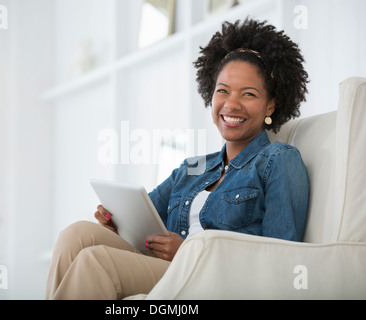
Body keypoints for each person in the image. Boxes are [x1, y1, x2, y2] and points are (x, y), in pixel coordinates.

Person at [45, 18, 310, 300]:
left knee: (95, 262)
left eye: (248, 94)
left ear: (271, 104)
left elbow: (281, 257)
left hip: (208, 279)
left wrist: (188, 252)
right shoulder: (194, 167)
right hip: (164, 268)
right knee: (75, 236)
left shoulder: (279, 160)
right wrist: (116, 223)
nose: (231, 104)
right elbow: (144, 220)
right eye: (223, 90)